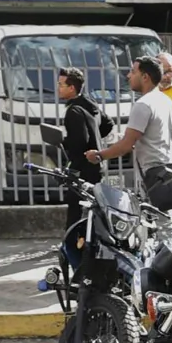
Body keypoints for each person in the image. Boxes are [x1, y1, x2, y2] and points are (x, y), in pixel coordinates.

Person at [85, 57, 172, 204]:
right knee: (158, 221)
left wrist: (99, 156)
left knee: (162, 224)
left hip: (154, 175)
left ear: (145, 77)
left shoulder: (143, 105)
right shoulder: (170, 104)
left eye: (133, 72)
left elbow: (125, 145)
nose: (128, 76)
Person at [58, 66, 114, 237]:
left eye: (61, 85)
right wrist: (96, 140)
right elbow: (108, 124)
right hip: (96, 165)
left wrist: (64, 142)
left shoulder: (74, 111)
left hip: (82, 167)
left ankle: (73, 241)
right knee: (95, 205)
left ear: (72, 88)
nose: (58, 88)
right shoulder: (90, 104)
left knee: (75, 206)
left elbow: (78, 142)